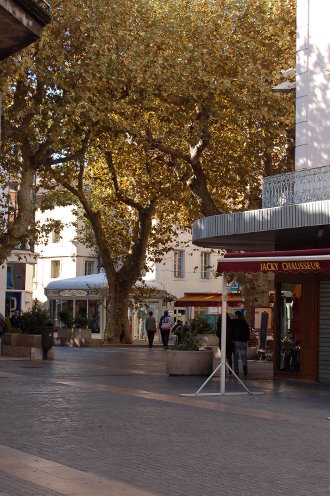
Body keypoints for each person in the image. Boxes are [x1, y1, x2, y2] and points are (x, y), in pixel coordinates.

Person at [231, 310, 250, 377]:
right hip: (243, 342)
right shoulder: (245, 323)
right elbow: (248, 332)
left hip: (236, 341)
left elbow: (231, 330)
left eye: (235, 315)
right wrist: (246, 339)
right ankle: (244, 366)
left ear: (236, 315)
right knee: (243, 356)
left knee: (236, 357)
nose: (234, 316)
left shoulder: (233, 322)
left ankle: (236, 371)